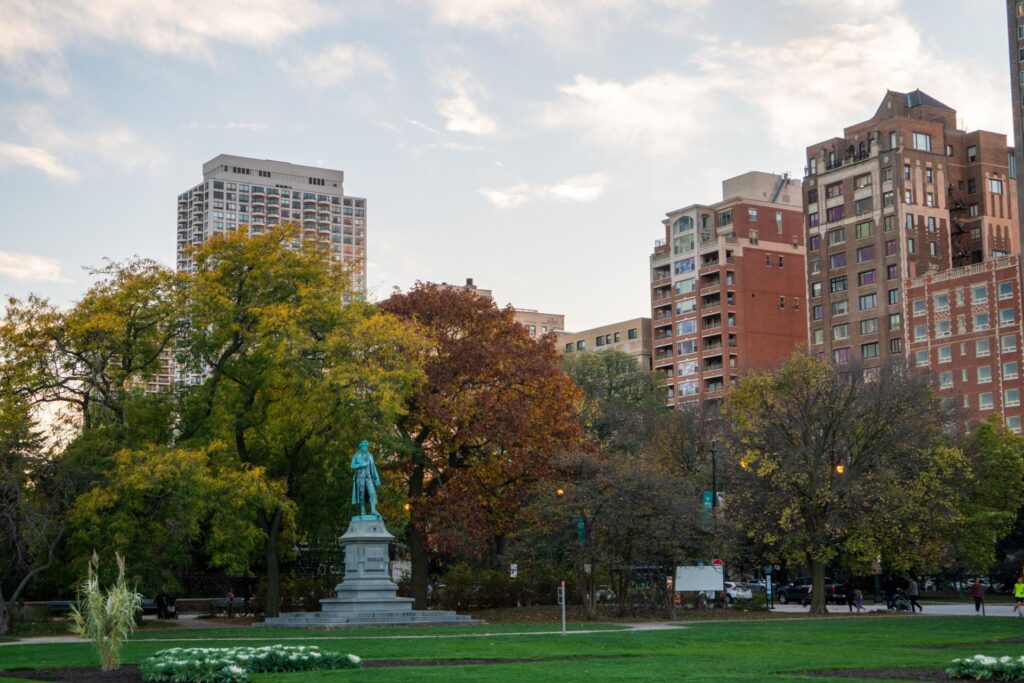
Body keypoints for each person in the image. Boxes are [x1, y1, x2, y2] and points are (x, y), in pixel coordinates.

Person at [351, 440, 382, 518]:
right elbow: (352, 465)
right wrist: (360, 465)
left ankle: (373, 510)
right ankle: (362, 509)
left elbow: (373, 467)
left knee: (372, 493)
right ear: (361, 446)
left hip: (369, 478)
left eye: (366, 446)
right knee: (361, 494)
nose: (365, 448)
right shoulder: (356, 455)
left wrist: (377, 478)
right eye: (364, 446)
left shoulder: (370, 455)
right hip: (360, 477)